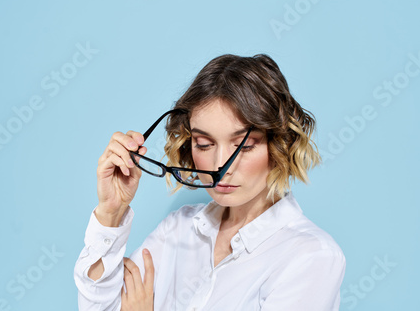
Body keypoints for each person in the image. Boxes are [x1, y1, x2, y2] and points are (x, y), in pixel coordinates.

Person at [74, 54, 346, 310]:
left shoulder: (311, 257)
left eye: (244, 146)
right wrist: (111, 212)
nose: (220, 166)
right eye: (204, 144)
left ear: (279, 145)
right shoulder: (178, 230)